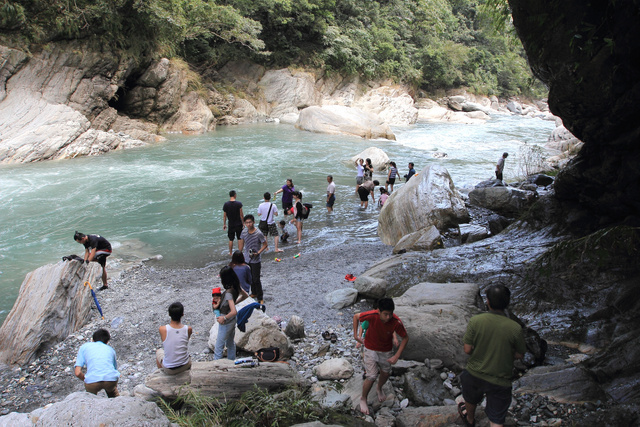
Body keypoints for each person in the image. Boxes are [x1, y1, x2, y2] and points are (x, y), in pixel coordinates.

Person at [458, 284, 526, 427]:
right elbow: (520, 354)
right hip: (500, 378)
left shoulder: (476, 321)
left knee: (470, 396)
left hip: (474, 373)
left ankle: (470, 419)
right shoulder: (515, 328)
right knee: (496, 418)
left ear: (487, 302)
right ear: (507, 303)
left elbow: (467, 349)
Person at [353, 298, 408, 415]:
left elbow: (405, 337)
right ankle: (363, 398)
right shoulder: (372, 315)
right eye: (385, 314)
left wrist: (397, 355)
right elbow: (356, 317)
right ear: (379, 311)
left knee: (386, 373)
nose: (388, 317)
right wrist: (356, 336)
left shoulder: (395, 321)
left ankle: (379, 387)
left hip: (386, 349)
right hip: (370, 347)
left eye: (390, 314)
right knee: (371, 375)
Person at [213, 266, 248, 360]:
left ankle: (215, 366)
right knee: (230, 343)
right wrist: (234, 303)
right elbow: (245, 296)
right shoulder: (236, 286)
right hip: (232, 321)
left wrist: (223, 318)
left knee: (219, 346)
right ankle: (231, 361)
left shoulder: (228, 293)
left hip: (226, 321)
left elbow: (234, 311)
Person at [74, 329, 120, 397]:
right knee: (113, 392)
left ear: (92, 340)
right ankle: (117, 402)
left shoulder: (84, 347)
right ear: (107, 341)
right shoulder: (111, 350)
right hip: (110, 380)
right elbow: (115, 370)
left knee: (90, 397)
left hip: (92, 381)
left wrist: (86, 379)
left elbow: (77, 373)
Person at [156, 302, 193, 375]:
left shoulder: (162, 329)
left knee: (159, 351)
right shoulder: (188, 329)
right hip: (185, 365)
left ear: (169, 314)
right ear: (182, 314)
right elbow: (185, 341)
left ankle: (161, 374)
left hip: (169, 369)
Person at [240, 214, 268, 303]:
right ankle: (254, 292)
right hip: (247, 258)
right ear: (244, 223)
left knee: (256, 279)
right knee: (250, 277)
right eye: (247, 222)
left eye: (250, 222)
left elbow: (265, 244)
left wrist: (258, 253)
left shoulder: (258, 233)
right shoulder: (244, 232)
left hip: (256, 260)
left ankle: (260, 297)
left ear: (253, 222)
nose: (249, 224)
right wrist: (240, 254)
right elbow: (242, 242)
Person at [222, 190, 244, 256]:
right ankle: (240, 252)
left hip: (231, 224)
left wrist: (224, 224)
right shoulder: (239, 204)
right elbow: (241, 215)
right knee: (239, 238)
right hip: (238, 223)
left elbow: (224, 216)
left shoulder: (226, 204)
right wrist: (243, 223)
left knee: (231, 239)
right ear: (235, 195)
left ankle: (230, 253)